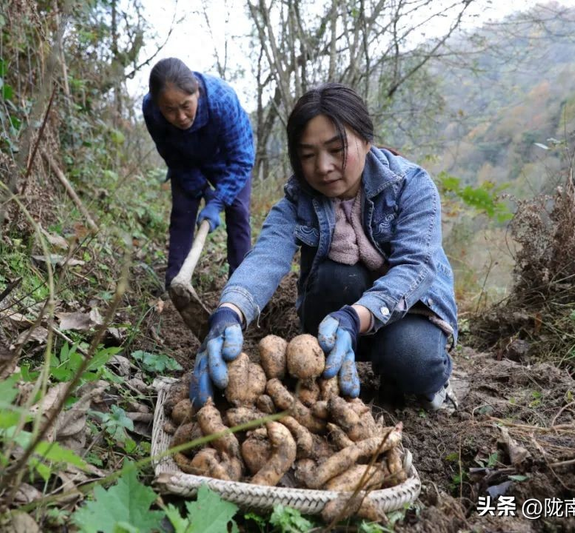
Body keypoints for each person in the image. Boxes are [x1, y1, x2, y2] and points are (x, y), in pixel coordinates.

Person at [190, 83, 458, 412]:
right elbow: (266, 257)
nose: (323, 166)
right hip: (342, 312)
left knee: (412, 360)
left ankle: (412, 369)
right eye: (307, 155)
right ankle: (326, 366)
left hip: (408, 309)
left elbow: (416, 267)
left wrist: (354, 316)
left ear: (366, 139)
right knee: (335, 276)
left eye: (336, 149)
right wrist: (228, 313)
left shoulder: (411, 186)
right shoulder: (298, 200)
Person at [142, 58, 255, 288]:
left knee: (238, 213)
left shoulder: (222, 100)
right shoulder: (151, 109)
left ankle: (241, 287)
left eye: (186, 105)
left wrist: (218, 200)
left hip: (228, 159)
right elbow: (171, 154)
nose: (181, 117)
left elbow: (242, 159)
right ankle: (176, 283)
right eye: (170, 111)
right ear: (158, 105)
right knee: (182, 214)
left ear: (197, 90)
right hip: (187, 160)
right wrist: (201, 189)